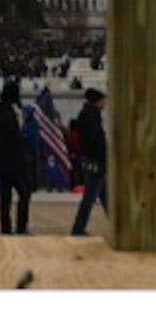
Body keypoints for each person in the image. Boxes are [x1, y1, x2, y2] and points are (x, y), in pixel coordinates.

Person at [0, 80, 33, 236]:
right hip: (14, 161)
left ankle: (5, 227)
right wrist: (23, 158)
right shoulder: (9, 115)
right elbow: (14, 140)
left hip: (0, 161)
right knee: (24, 193)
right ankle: (21, 226)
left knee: (5, 196)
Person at [69, 88, 108, 236]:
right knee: (90, 196)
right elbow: (95, 141)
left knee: (105, 195)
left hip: (92, 159)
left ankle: (118, 225)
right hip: (96, 160)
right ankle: (78, 228)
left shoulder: (87, 114)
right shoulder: (92, 116)